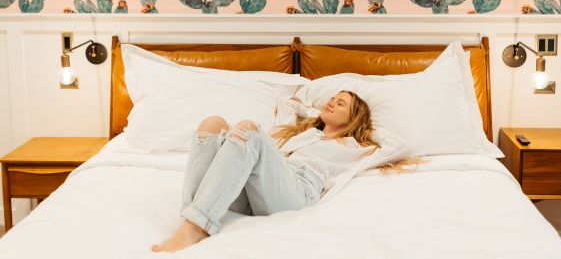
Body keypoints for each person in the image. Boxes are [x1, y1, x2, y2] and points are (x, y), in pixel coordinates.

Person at [151, 90, 412, 253]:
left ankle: (195, 228)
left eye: (340, 104)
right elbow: (288, 103)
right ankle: (191, 212)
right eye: (331, 98)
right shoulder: (302, 133)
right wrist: (317, 113)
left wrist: (361, 127)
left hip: (297, 191)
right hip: (261, 187)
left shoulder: (354, 147)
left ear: (353, 118)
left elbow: (400, 145)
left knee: (247, 129)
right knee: (213, 123)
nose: (331, 103)